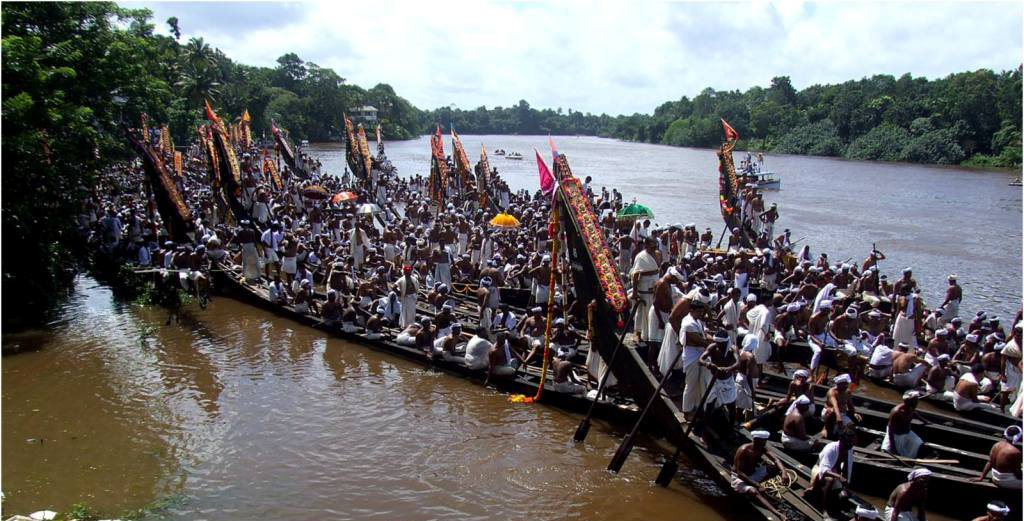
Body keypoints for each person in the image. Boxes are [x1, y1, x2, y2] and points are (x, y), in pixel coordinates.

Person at [731, 430, 789, 521]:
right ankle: (778, 514)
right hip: (739, 478)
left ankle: (758, 489)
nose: (763, 444)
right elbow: (740, 473)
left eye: (764, 442)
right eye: (762, 442)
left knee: (775, 468)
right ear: (755, 440)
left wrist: (784, 472)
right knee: (754, 491)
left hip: (753, 474)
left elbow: (776, 460)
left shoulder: (762, 448)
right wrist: (757, 485)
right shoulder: (744, 450)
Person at [811, 428, 856, 521]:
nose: (851, 444)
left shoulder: (849, 450)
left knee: (843, 495)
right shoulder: (831, 448)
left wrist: (845, 484)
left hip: (834, 471)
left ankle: (836, 506)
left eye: (852, 442)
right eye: (849, 442)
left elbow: (847, 468)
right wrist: (839, 477)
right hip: (819, 469)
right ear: (842, 440)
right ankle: (824, 510)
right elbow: (823, 470)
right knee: (829, 480)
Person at [630, 238, 661, 342]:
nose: (655, 246)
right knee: (641, 312)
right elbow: (635, 275)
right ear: (646, 245)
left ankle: (650, 334)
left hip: (655, 288)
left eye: (655, 244)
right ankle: (638, 334)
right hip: (644, 288)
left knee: (653, 312)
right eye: (652, 244)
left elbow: (658, 269)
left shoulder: (657, 254)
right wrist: (634, 292)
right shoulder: (641, 256)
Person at [882, 391, 925, 458]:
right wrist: (892, 446)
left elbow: (914, 413)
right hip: (897, 434)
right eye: (915, 401)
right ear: (908, 401)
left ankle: (910, 458)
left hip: (907, 432)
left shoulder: (910, 407)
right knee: (896, 451)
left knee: (918, 442)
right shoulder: (897, 412)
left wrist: (925, 421)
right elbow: (890, 430)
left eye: (917, 401)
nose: (917, 403)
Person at [822, 374, 861, 439]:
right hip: (829, 413)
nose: (846, 386)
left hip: (842, 413)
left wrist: (854, 413)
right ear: (839, 384)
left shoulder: (847, 392)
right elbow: (835, 405)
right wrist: (838, 417)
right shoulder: (832, 392)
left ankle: (844, 437)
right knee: (832, 411)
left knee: (851, 426)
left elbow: (850, 404)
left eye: (846, 384)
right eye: (844, 384)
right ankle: (825, 428)